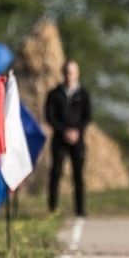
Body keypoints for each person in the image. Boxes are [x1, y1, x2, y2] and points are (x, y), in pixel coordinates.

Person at [44, 61, 92, 217]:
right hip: (59, 140)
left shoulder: (83, 94)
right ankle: (52, 208)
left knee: (78, 175)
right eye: (66, 72)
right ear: (62, 73)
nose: (69, 75)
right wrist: (63, 131)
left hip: (78, 140)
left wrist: (77, 131)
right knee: (56, 173)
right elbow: (50, 116)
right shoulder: (54, 94)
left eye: (72, 72)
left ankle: (80, 209)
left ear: (77, 74)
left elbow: (88, 116)